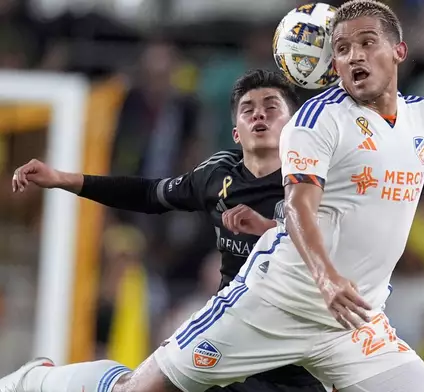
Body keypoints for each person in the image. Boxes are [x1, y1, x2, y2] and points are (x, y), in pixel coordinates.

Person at [0, 0, 424, 391]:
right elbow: (298, 204)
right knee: (141, 391)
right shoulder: (318, 120)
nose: (353, 56)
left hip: (352, 325)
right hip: (275, 302)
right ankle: (38, 382)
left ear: (398, 51)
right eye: (341, 48)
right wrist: (324, 275)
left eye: (366, 42)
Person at [5, 69, 328, 392]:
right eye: (248, 109)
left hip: (301, 340)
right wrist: (64, 179)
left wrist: (268, 227)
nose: (259, 114)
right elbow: (149, 194)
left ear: (295, 127)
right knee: (133, 390)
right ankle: (40, 381)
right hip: (231, 330)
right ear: (236, 133)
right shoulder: (217, 176)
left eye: (271, 107)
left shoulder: (327, 181)